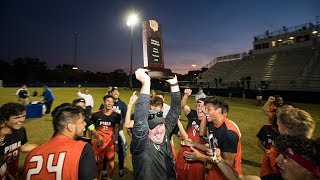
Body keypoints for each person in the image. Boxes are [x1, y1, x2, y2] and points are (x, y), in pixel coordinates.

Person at [23, 104, 97, 180]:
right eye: (82, 122)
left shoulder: (32, 153)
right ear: (70, 127)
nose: (85, 123)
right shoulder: (82, 148)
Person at [131, 68, 180, 180]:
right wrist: (146, 83)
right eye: (153, 126)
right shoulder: (141, 145)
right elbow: (139, 121)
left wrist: (174, 83)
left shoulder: (165, 133)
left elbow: (175, 110)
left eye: (160, 125)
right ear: (146, 129)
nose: (159, 130)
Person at [183, 98, 242, 180]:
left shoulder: (229, 133)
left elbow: (227, 164)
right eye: (205, 109)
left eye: (208, 109)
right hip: (215, 169)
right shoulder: (212, 124)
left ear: (219, 110)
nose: (205, 112)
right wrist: (193, 143)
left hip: (228, 175)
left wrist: (200, 157)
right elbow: (211, 148)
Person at [0, 103, 37, 179]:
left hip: (13, 173)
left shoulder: (21, 130)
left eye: (23, 116)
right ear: (5, 119)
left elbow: (24, 147)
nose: (22, 120)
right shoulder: (1, 134)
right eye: (17, 117)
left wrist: (45, 147)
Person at [175, 88, 205, 180]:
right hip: (184, 150)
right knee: (180, 174)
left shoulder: (209, 122)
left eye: (201, 106)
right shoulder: (193, 115)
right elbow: (182, 106)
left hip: (197, 154)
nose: (199, 108)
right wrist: (186, 95)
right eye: (197, 106)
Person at [99, 87, 127, 178]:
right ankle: (103, 169)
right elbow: (100, 114)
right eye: (114, 92)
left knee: (121, 151)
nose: (115, 93)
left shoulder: (122, 104)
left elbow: (125, 116)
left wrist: (121, 121)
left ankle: (121, 168)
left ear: (119, 93)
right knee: (105, 151)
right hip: (106, 131)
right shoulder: (105, 103)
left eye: (117, 92)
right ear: (111, 93)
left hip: (119, 131)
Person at [92, 95, 120, 180]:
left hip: (110, 144)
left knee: (111, 164)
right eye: (108, 101)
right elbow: (91, 127)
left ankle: (109, 178)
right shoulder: (96, 115)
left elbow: (116, 129)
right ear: (103, 102)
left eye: (112, 101)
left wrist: (116, 142)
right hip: (98, 144)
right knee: (98, 165)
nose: (110, 103)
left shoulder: (116, 115)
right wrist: (94, 139)